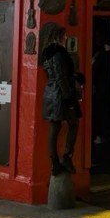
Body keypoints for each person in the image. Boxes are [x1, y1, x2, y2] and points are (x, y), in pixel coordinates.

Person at [41, 23, 80, 175]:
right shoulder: (58, 53)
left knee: (54, 127)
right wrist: (69, 97)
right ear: (58, 37)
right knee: (73, 123)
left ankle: (55, 162)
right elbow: (60, 76)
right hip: (60, 94)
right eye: (63, 36)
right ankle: (66, 157)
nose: (65, 39)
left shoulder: (46, 52)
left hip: (50, 92)